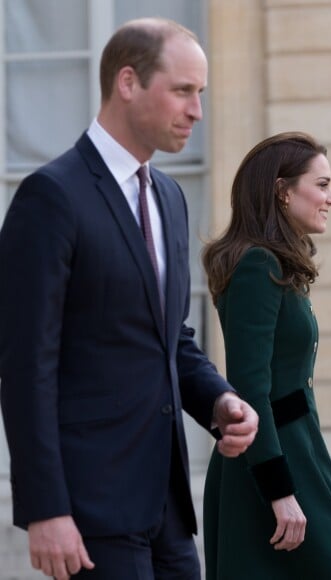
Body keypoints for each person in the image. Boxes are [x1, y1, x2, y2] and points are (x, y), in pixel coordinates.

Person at [0, 17, 258, 580]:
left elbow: (170, 339)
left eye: (202, 94)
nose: (196, 111)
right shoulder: (51, 198)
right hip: (89, 509)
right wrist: (46, 508)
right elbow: (25, 365)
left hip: (165, 504)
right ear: (127, 83)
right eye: (183, 91)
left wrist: (217, 402)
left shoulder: (167, 198)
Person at [202, 132, 331, 579]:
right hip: (267, 468)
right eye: (321, 185)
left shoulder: (278, 267)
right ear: (283, 191)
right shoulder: (257, 267)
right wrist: (278, 491)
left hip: (299, 454)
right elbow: (249, 388)